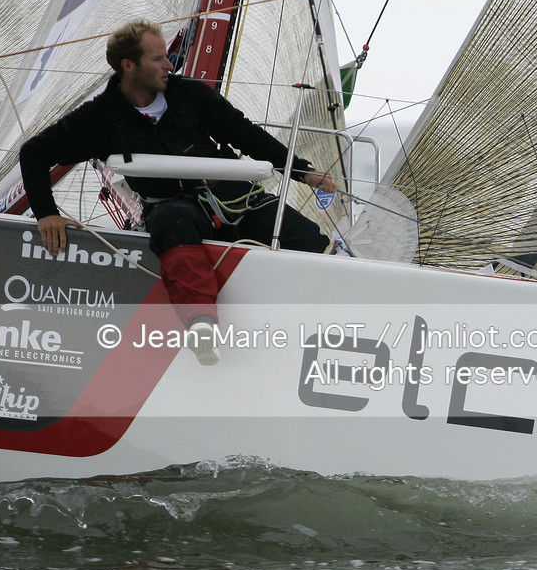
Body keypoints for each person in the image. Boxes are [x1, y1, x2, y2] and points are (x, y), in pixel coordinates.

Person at [19, 19, 337, 364]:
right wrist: (46, 213)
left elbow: (247, 135)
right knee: (172, 223)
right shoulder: (99, 118)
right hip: (176, 211)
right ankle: (202, 325)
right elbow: (34, 152)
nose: (169, 65)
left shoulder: (191, 95)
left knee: (306, 238)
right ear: (129, 66)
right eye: (158, 59)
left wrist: (304, 171)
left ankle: (332, 324)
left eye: (167, 57)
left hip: (236, 199)